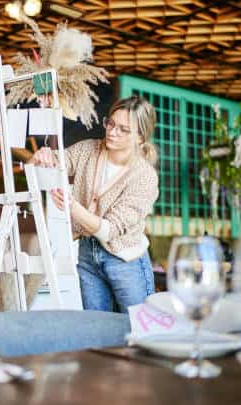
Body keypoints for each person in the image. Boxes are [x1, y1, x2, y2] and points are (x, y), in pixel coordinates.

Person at [29, 95, 159, 312]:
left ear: (140, 138)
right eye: (111, 123)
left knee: (139, 327)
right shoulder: (88, 149)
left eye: (123, 129)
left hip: (125, 259)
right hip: (87, 255)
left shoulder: (144, 177)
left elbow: (110, 231)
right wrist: (42, 157)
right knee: (97, 327)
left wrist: (72, 207)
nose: (112, 132)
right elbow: (56, 163)